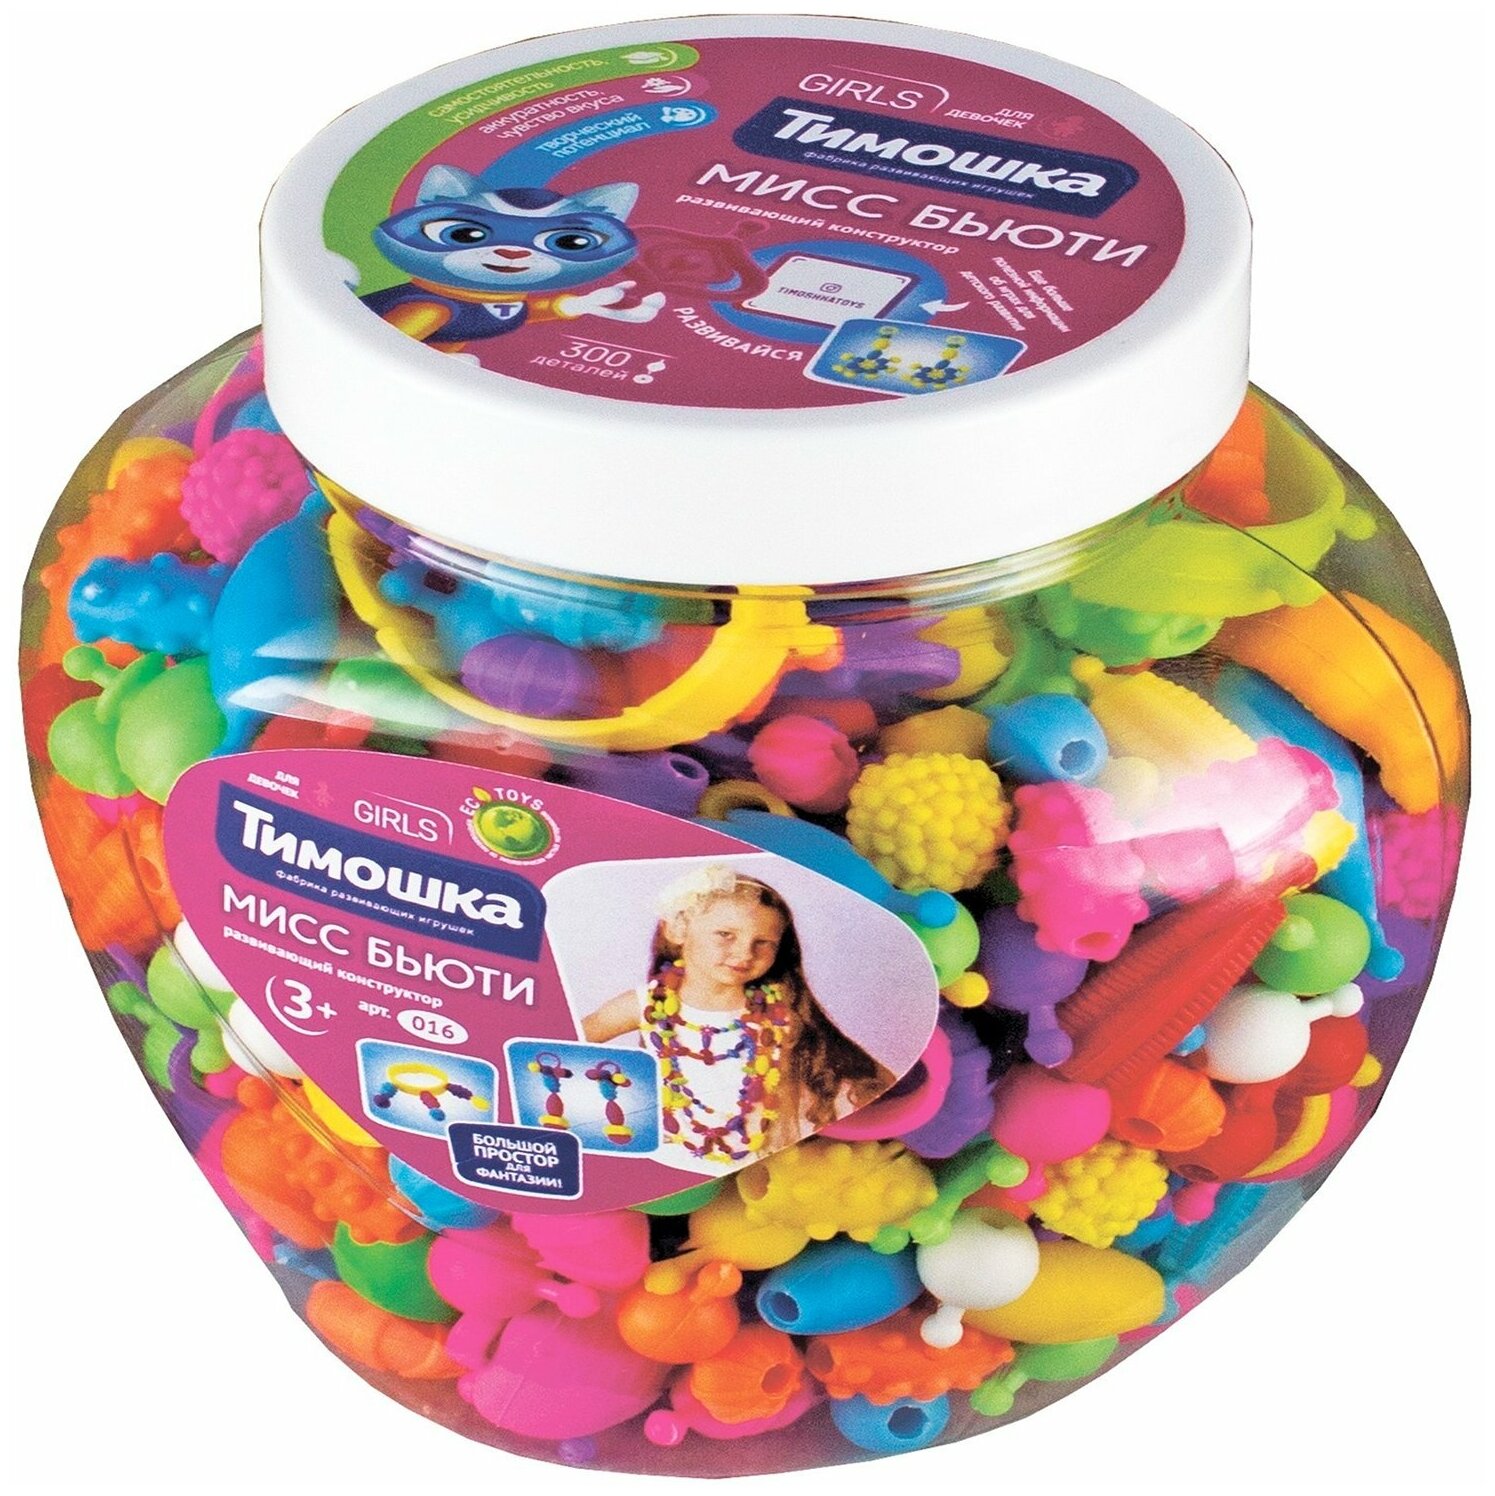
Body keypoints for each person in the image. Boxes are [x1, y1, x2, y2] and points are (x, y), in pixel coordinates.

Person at [582, 865, 892, 1165]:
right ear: (678, 929)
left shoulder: (779, 1014)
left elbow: (784, 1101)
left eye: (763, 942)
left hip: (755, 1158)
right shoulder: (646, 1003)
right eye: (725, 934)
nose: (745, 953)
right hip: (668, 1157)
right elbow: (575, 1036)